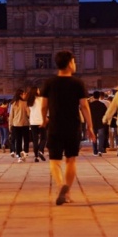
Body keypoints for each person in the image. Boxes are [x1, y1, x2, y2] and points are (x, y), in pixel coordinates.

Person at [42, 51, 95, 205]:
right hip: (73, 125)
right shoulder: (78, 83)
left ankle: (60, 186)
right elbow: (84, 106)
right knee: (71, 159)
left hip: (55, 125)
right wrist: (90, 126)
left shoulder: (49, 83)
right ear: (70, 63)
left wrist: (44, 119)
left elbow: (44, 105)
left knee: (54, 160)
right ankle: (68, 193)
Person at [9, 89, 30, 161]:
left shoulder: (13, 104)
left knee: (18, 140)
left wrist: (10, 125)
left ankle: (19, 156)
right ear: (21, 95)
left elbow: (11, 115)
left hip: (15, 124)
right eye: (23, 94)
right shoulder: (25, 103)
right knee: (26, 139)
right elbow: (28, 114)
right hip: (25, 124)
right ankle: (25, 152)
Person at [27, 86, 47, 161]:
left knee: (35, 139)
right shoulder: (41, 99)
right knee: (44, 138)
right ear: (36, 91)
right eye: (38, 90)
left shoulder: (29, 101)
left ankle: (36, 157)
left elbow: (29, 111)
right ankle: (40, 150)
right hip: (41, 121)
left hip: (33, 121)